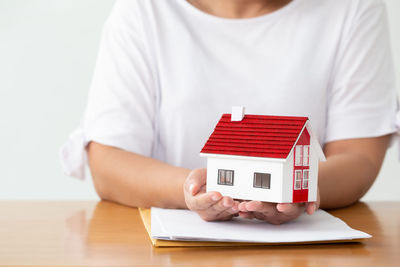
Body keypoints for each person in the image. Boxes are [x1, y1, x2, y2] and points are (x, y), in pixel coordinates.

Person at [60, 0, 399, 224]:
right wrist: (193, 190)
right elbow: (107, 163)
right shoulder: (143, 11)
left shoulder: (353, 7)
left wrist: (295, 190)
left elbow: (360, 156)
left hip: (300, 251)